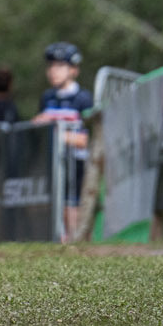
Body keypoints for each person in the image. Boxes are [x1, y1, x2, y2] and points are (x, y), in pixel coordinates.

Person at [34, 41, 95, 242]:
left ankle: (79, 246)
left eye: (60, 66)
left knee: (73, 206)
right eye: (51, 66)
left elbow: (89, 139)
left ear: (74, 70)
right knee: (57, 207)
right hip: (53, 164)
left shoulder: (84, 99)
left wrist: (56, 132)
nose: (53, 71)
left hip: (76, 164)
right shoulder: (47, 97)